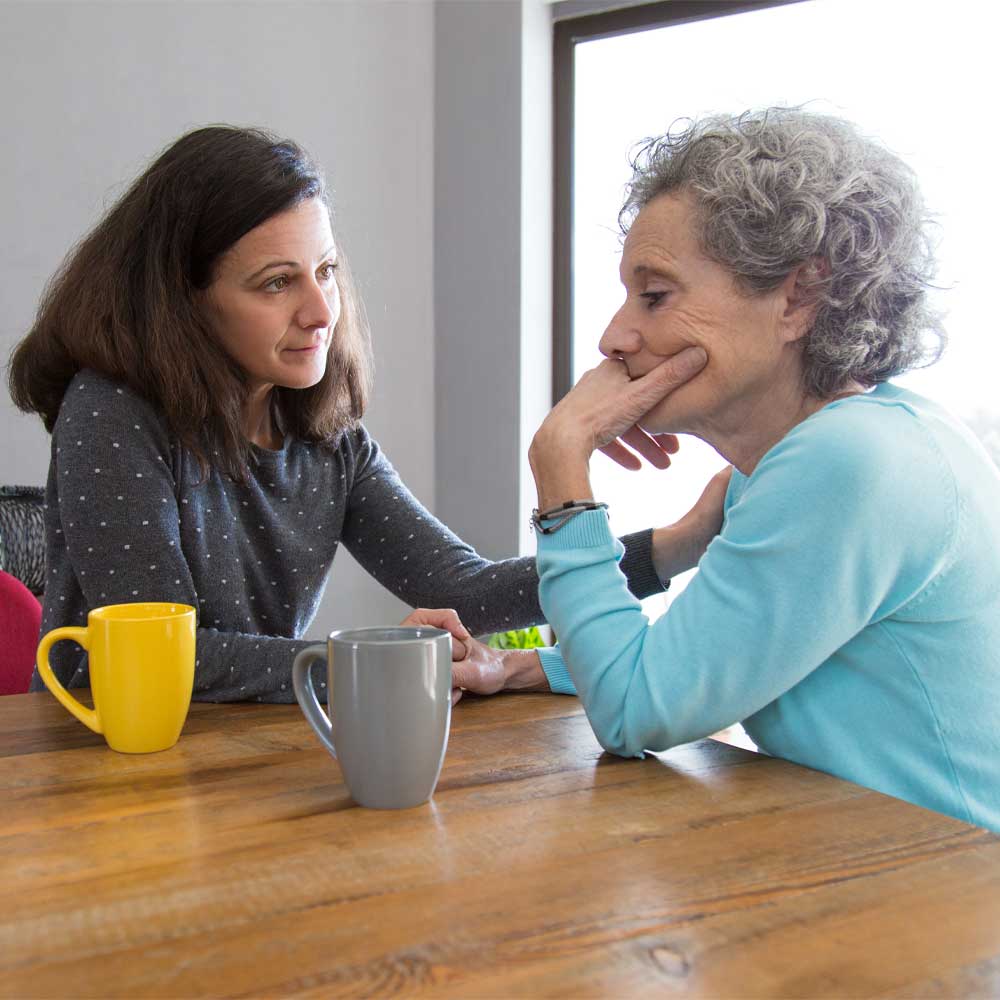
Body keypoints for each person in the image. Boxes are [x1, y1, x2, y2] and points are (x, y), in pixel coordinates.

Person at [458, 108, 1000, 832]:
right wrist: (525, 668)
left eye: (656, 295)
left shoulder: (850, 463)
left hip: (947, 905)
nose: (614, 337)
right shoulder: (837, 450)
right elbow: (708, 662)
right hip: (880, 880)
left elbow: (634, 712)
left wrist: (561, 465)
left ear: (799, 297)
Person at [8, 125, 675, 702]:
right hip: (98, 772)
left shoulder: (330, 442)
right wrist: (381, 659)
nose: (322, 310)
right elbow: (167, 655)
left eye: (324, 270)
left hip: (247, 760)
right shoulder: (112, 412)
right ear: (183, 300)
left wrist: (687, 541)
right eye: (277, 282)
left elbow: (463, 588)